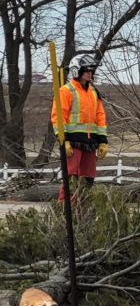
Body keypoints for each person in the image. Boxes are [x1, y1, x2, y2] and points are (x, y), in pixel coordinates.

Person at [51, 51, 108, 202]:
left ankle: (82, 211)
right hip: (73, 143)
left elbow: (100, 117)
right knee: (71, 179)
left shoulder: (94, 92)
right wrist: (64, 140)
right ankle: (64, 210)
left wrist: (103, 141)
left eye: (91, 70)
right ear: (77, 71)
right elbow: (58, 117)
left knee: (87, 179)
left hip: (90, 143)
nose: (90, 73)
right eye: (87, 70)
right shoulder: (66, 91)